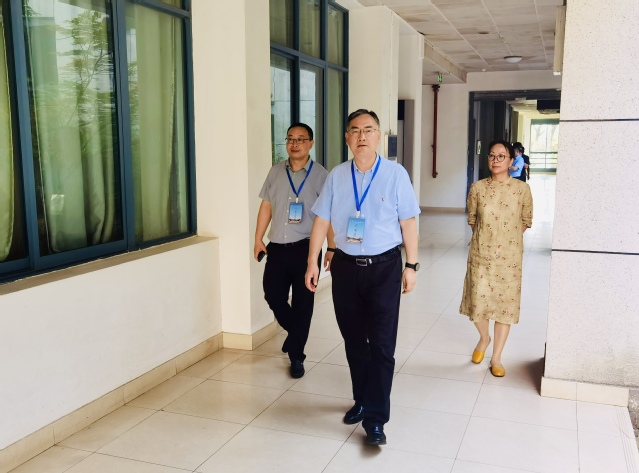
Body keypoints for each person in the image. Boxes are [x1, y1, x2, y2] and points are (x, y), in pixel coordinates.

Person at [304, 109, 420, 446]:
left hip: (384, 267)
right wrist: (312, 262)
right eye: (355, 130)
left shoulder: (396, 174)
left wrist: (411, 265)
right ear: (347, 138)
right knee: (354, 342)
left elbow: (408, 222)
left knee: (382, 345)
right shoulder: (337, 176)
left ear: (378, 136)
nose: (362, 136)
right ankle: (362, 400)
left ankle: (376, 419)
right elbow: (321, 221)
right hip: (345, 268)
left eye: (368, 130)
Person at [254, 123, 333, 379]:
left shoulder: (321, 175)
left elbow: (328, 216)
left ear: (311, 143)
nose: (294, 143)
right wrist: (258, 238)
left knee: (303, 303)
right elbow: (266, 206)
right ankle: (295, 333)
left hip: (306, 249)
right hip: (277, 247)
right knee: (272, 295)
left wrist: (331, 247)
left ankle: (297, 356)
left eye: (300, 139)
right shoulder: (275, 171)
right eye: (290, 138)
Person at [460, 140, 533, 377]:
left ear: (511, 161)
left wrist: (506, 240)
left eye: (502, 156)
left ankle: (497, 357)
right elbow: (473, 220)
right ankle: (484, 338)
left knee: (504, 307)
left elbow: (526, 220)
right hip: (481, 256)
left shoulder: (522, 190)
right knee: (477, 304)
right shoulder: (477, 188)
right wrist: (487, 240)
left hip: (509, 259)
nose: (496, 160)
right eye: (492, 155)